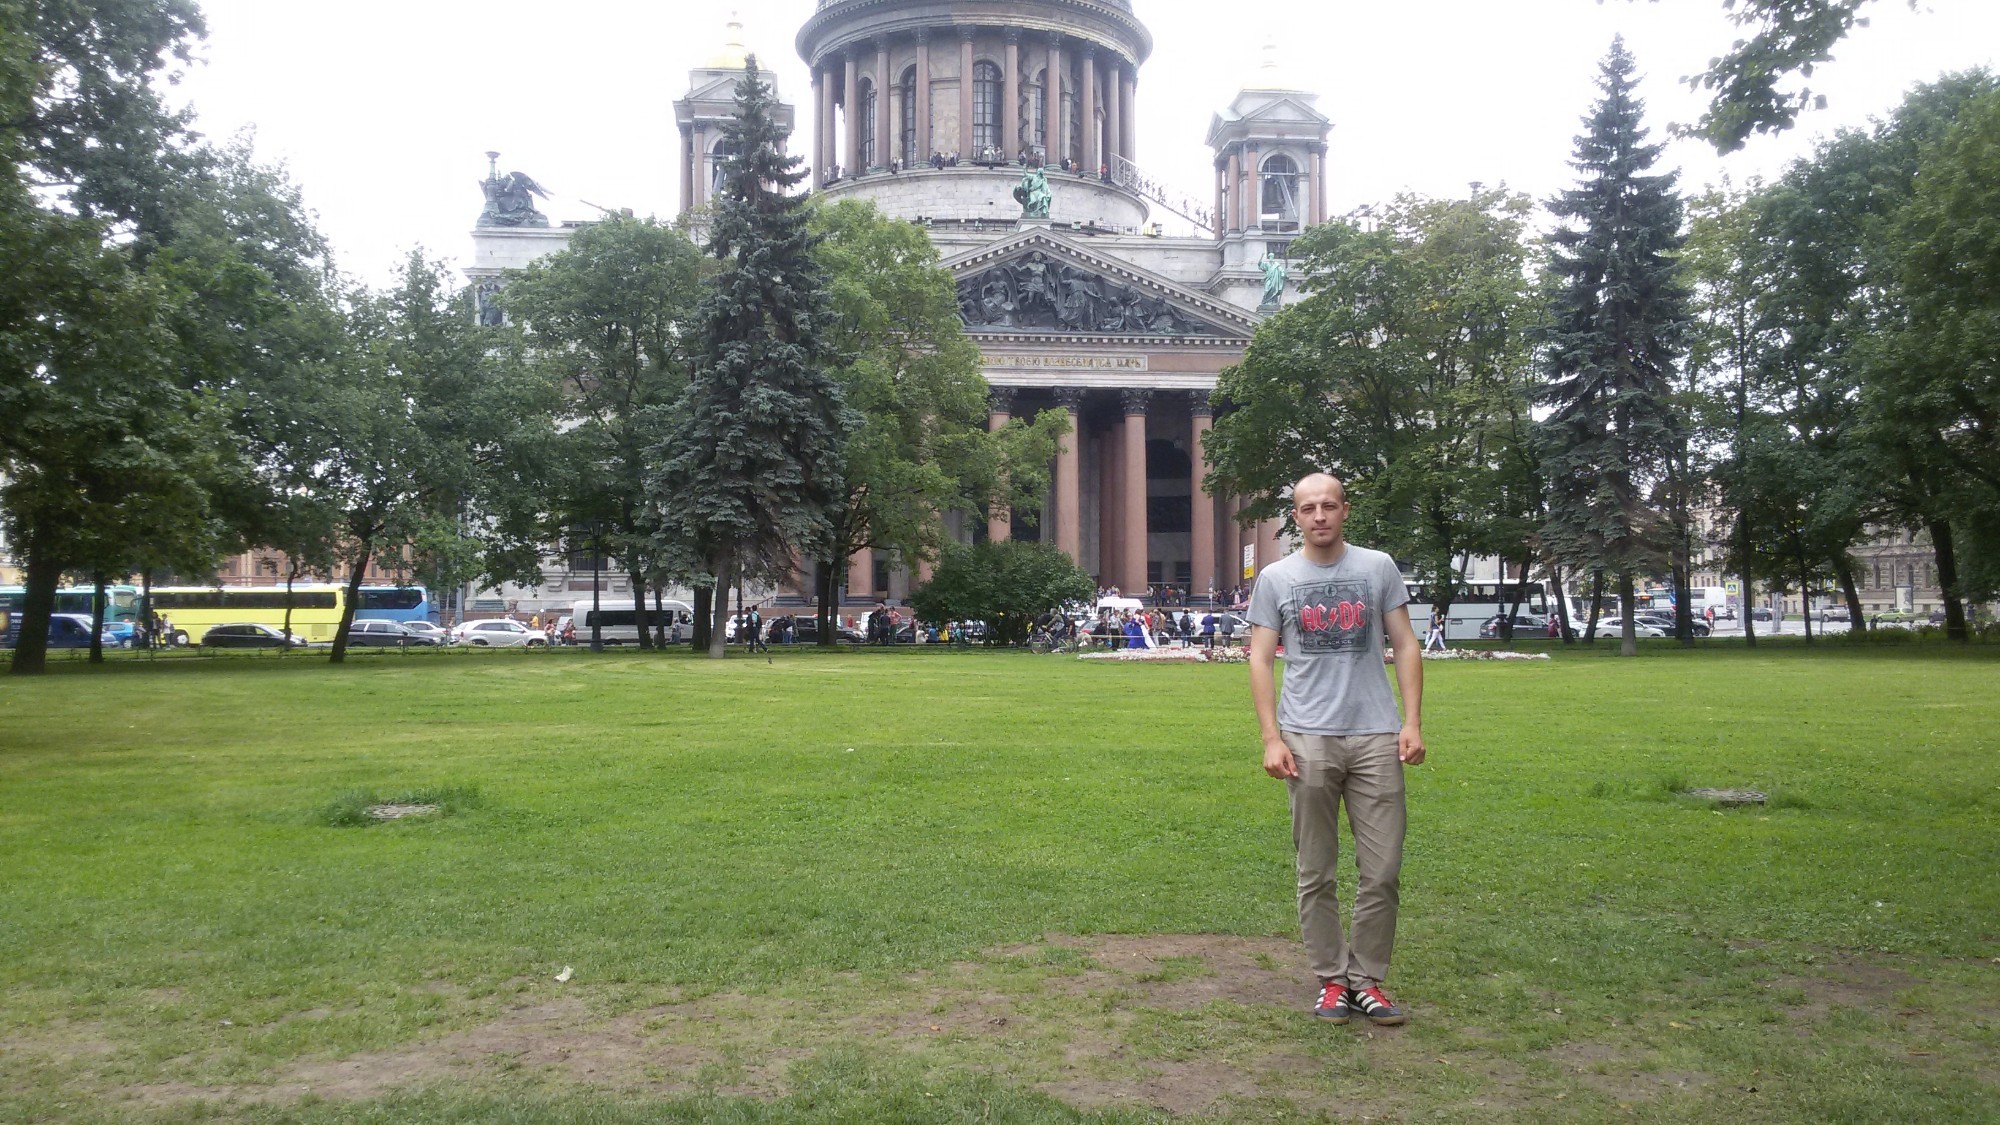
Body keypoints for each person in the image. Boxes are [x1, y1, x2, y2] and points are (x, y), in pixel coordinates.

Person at [1247, 472, 1425, 1028]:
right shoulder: (1276, 577)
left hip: (1375, 734)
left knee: (1383, 870)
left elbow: (1405, 643)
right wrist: (1271, 737)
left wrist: (1412, 722)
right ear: (1294, 516)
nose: (1319, 515)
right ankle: (1331, 979)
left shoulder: (1377, 567)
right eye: (1307, 508)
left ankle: (1367, 979)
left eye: (1328, 505)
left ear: (1345, 510)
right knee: (1316, 870)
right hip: (1306, 736)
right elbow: (1259, 658)